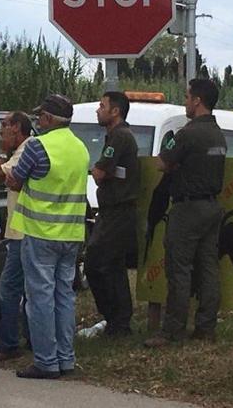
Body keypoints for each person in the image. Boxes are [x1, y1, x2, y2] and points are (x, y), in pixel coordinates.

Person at [7, 94, 89, 380]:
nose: (38, 121)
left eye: (40, 116)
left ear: (49, 119)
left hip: (41, 232)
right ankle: (66, 359)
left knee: (40, 297)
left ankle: (45, 361)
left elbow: (14, 180)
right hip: (72, 233)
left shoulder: (37, 146)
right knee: (64, 294)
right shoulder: (81, 148)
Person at [144, 79, 227, 348]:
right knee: (208, 269)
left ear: (197, 101)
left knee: (179, 270)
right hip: (211, 206)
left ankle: (172, 331)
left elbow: (162, 163)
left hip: (188, 207)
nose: (185, 102)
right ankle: (206, 328)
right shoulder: (218, 134)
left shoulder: (189, 133)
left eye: (188, 97)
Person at [86, 91, 139, 336]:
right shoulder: (114, 136)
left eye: (102, 105)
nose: (98, 110)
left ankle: (115, 318)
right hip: (112, 210)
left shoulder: (120, 136)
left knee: (97, 263)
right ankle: (118, 321)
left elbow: (99, 173)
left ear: (115, 111)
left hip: (118, 211)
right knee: (113, 266)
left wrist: (99, 172)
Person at [0, 111, 33, 362]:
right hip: (19, 230)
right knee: (27, 288)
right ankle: (29, 337)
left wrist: (2, 151)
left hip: (22, 231)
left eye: (5, 126)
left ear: (18, 128)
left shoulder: (25, 150)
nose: (1, 132)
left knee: (10, 287)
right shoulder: (21, 151)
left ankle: (9, 342)